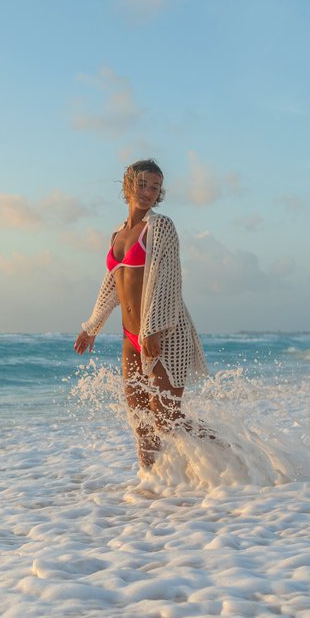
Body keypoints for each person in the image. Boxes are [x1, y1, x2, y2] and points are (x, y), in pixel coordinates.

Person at [74, 159, 210, 467]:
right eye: (142, 184)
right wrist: (92, 326)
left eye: (155, 187)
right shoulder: (117, 234)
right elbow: (112, 283)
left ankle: (232, 453)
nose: (148, 192)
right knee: (141, 422)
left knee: (166, 419)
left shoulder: (160, 227)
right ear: (128, 184)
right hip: (130, 338)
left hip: (166, 334)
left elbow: (169, 281)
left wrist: (153, 329)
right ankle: (152, 490)